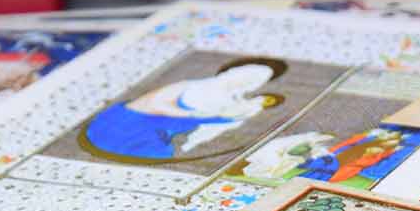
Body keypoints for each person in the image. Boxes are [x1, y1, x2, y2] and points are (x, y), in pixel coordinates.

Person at [82, 59, 286, 162]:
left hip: (163, 138)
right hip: (129, 125)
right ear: (232, 70)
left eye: (257, 81)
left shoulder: (235, 101)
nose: (248, 82)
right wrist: (195, 115)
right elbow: (156, 104)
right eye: (247, 75)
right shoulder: (193, 86)